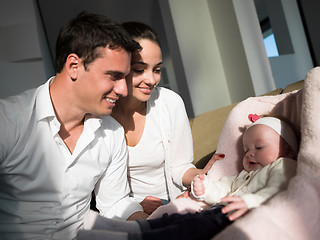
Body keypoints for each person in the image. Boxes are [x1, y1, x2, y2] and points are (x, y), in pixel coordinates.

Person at [0, 12, 147, 240]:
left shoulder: (112, 133)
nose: (123, 90)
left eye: (125, 78)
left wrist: (151, 228)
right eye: (114, 76)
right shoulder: (7, 121)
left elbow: (115, 203)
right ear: (74, 66)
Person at [77, 115, 298, 240]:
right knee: (181, 219)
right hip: (219, 209)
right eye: (246, 148)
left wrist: (249, 202)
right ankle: (128, 229)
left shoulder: (284, 165)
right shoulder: (244, 175)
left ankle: (133, 236)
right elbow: (223, 186)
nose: (249, 153)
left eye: (258, 147)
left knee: (189, 230)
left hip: (239, 215)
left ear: (287, 150)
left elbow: (278, 190)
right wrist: (205, 188)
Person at [110, 21, 220, 215]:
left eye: (157, 69)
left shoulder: (170, 103)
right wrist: (133, 208)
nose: (151, 80)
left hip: (174, 201)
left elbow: (180, 166)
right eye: (139, 69)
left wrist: (200, 175)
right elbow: (107, 195)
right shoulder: (100, 115)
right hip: (124, 210)